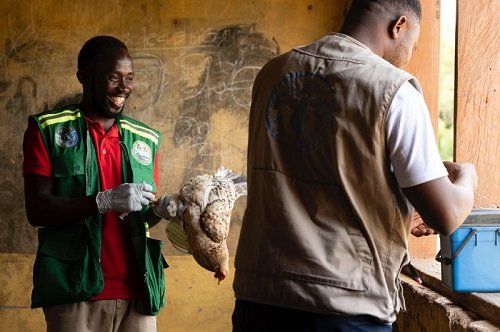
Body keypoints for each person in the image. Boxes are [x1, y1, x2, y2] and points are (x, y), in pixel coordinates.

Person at [232, 0, 478, 330]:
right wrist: (467, 179)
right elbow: (446, 215)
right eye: (413, 44)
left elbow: (309, 185)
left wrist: (397, 215)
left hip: (260, 300)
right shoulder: (394, 90)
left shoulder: (273, 74)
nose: (409, 55)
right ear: (399, 26)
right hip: (343, 307)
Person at [23, 35, 175, 332]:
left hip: (139, 292)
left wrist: (160, 211)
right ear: (85, 78)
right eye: (113, 77)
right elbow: (37, 210)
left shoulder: (144, 138)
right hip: (74, 291)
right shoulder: (48, 129)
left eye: (129, 78)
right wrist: (100, 201)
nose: (124, 87)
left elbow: (139, 217)